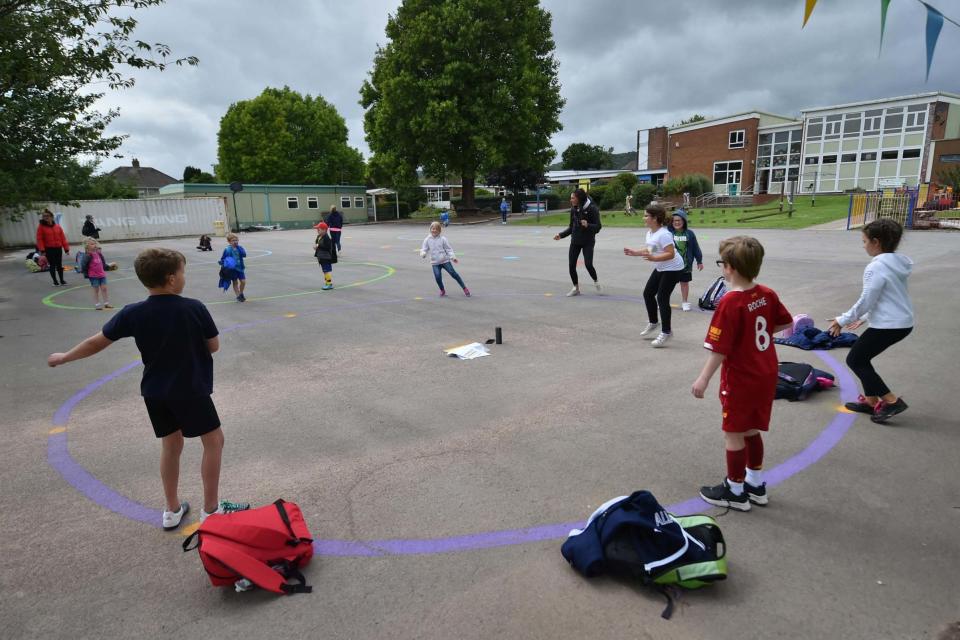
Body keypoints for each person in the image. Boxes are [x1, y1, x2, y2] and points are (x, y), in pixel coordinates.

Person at [46, 248, 248, 529]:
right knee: (214, 442)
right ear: (171, 279)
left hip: (155, 391)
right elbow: (213, 345)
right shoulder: (193, 308)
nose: (183, 277)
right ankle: (211, 509)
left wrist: (65, 356)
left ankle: (171, 509)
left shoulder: (133, 313)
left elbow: (97, 341)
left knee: (171, 444)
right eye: (182, 272)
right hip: (190, 389)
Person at [691, 236, 793, 511]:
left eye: (722, 263)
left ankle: (735, 489)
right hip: (766, 371)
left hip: (742, 377)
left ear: (730, 268)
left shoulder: (730, 302)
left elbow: (719, 349)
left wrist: (703, 378)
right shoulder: (767, 294)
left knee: (733, 433)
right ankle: (756, 484)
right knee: (751, 430)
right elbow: (786, 323)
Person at [828, 218, 913, 424]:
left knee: (855, 359)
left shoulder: (876, 267)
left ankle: (891, 401)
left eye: (865, 241)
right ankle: (870, 401)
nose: (864, 245)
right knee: (862, 358)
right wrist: (865, 318)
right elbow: (888, 296)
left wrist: (843, 319)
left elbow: (867, 299)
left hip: (890, 325)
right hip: (900, 322)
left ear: (876, 242)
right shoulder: (896, 263)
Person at [623, 203, 686, 347]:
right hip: (662, 267)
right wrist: (635, 253)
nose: (643, 218)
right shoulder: (650, 233)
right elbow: (651, 249)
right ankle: (653, 322)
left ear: (655, 218)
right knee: (648, 293)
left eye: (646, 215)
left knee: (662, 298)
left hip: (674, 268)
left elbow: (670, 254)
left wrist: (654, 259)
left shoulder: (664, 234)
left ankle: (666, 332)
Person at [554, 188, 601, 297]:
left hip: (588, 241)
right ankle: (576, 288)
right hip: (575, 241)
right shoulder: (573, 209)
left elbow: (598, 227)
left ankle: (595, 280)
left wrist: (588, 225)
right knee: (571, 265)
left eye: (572, 198)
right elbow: (571, 227)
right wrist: (561, 235)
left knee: (588, 264)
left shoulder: (592, 209)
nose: (571, 200)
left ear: (579, 198)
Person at [420, 221, 470, 297]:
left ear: (439, 230)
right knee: (437, 277)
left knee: (454, 274)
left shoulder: (443, 239)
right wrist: (423, 253)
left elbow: (448, 249)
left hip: (445, 261)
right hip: (435, 263)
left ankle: (465, 288)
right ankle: (442, 290)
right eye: (432, 229)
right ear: (430, 229)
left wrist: (453, 257)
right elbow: (424, 249)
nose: (434, 230)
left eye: (436, 229)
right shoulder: (427, 239)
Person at [671, 209, 704, 311]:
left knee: (684, 283)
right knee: (668, 283)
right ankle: (663, 300)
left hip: (686, 264)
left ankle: (685, 302)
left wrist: (699, 260)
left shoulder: (689, 233)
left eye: (679, 220)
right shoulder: (669, 233)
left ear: (684, 221)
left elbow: (695, 248)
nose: (677, 222)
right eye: (674, 220)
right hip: (672, 264)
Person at [36, 209, 70, 286]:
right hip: (49, 249)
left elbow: (63, 238)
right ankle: (55, 282)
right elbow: (39, 239)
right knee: (52, 265)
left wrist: (66, 249)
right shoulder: (41, 227)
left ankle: (62, 280)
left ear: (52, 217)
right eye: (44, 216)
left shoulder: (57, 227)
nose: (45, 217)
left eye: (47, 216)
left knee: (59, 265)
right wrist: (42, 250)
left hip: (58, 248)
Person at [80, 238, 113, 311]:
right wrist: (86, 274)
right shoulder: (87, 255)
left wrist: (107, 267)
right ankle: (97, 304)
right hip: (93, 276)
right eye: (92, 244)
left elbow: (103, 263)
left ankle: (106, 303)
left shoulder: (98, 253)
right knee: (96, 290)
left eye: (94, 243)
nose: (94, 245)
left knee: (104, 289)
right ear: (87, 246)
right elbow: (83, 265)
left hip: (102, 274)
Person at [219, 233, 247, 302]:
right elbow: (223, 258)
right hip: (232, 269)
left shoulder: (240, 248)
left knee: (243, 281)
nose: (235, 242)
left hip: (240, 268)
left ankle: (241, 293)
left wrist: (239, 249)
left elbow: (244, 255)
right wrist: (223, 264)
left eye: (236, 240)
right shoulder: (227, 249)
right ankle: (238, 296)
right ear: (229, 242)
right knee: (235, 282)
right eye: (233, 240)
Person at [313, 221, 338, 290]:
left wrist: (318, 247)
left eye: (319, 229)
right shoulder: (320, 236)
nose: (317, 231)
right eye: (317, 229)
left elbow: (327, 247)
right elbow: (317, 242)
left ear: (324, 230)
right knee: (324, 271)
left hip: (326, 257)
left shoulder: (326, 238)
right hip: (321, 257)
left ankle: (329, 284)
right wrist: (317, 244)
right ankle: (327, 282)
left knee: (326, 271)